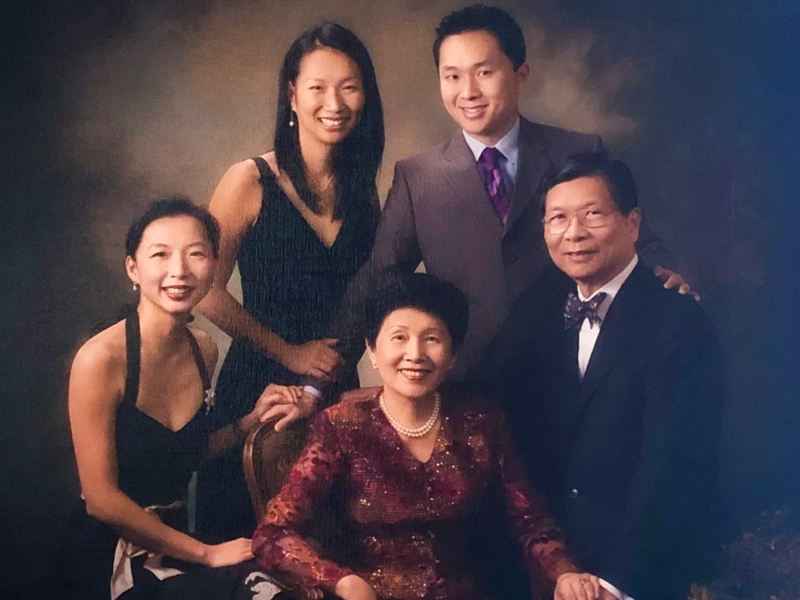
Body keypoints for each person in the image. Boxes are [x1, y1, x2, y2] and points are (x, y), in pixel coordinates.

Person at [280, 3, 691, 425]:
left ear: (521, 74)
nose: (468, 91)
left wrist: (664, 273)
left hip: (575, 387)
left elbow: (632, 235)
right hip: (468, 399)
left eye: (484, 72)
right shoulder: (417, 177)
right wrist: (314, 385)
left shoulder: (578, 150)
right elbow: (376, 278)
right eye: (452, 76)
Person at [252, 273, 611, 600]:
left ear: (452, 355)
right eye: (399, 337)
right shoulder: (342, 426)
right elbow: (273, 533)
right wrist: (340, 580)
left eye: (432, 339)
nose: (415, 354)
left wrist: (564, 574)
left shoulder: (481, 421)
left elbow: (529, 519)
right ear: (373, 351)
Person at [481, 154, 725, 600]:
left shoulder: (680, 323)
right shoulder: (537, 308)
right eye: (558, 218)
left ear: (632, 224)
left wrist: (618, 583)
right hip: (549, 568)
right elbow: (490, 404)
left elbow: (672, 469)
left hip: (636, 571)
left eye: (592, 214)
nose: (573, 233)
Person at [195, 22, 384, 537]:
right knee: (244, 545)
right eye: (318, 87)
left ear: (365, 95)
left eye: (349, 86)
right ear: (292, 96)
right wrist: (289, 353)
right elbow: (205, 292)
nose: (335, 102)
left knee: (332, 547)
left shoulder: (363, 193)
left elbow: (369, 296)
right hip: (258, 385)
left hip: (333, 386)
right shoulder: (248, 179)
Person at [64, 198, 294, 600]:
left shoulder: (203, 349)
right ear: (133, 268)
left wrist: (248, 422)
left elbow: (185, 454)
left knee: (277, 587)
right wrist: (206, 554)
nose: (179, 271)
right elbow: (101, 500)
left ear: (214, 265)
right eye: (160, 255)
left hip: (175, 541)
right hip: (110, 554)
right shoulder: (100, 359)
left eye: (196, 255)